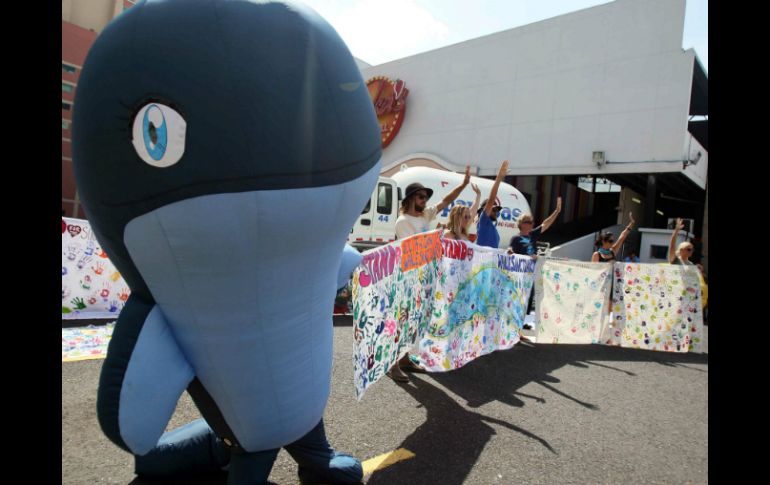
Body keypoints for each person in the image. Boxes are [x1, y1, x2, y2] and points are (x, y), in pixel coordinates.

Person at [389, 165, 472, 383]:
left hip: (425, 277)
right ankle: (393, 364)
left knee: (415, 321)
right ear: (409, 199)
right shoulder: (403, 222)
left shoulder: (425, 215)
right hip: (408, 277)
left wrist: (462, 185)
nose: (425, 200)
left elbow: (445, 200)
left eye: (426, 197)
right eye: (420, 197)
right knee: (403, 319)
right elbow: (414, 249)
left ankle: (406, 358)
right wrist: (437, 238)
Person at [475, 160, 509, 248]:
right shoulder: (483, 221)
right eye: (493, 209)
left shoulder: (492, 227)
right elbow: (492, 198)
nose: (495, 212)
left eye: (496, 210)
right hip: (481, 260)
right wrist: (499, 179)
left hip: (490, 261)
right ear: (484, 210)